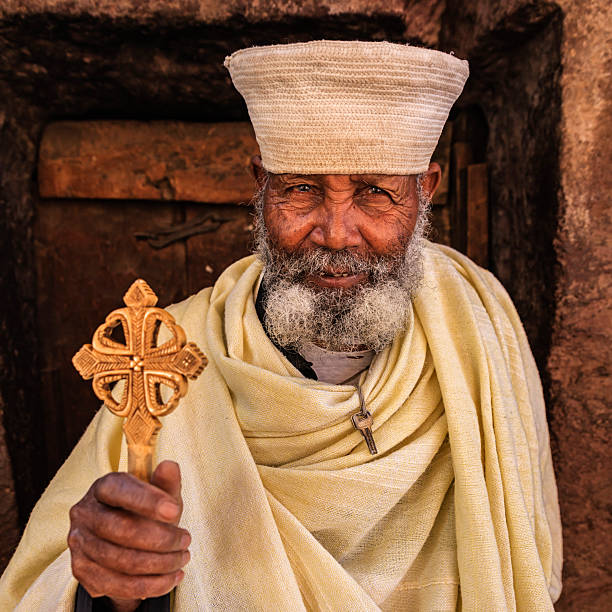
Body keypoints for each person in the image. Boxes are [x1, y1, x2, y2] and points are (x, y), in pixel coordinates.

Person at [0, 40, 562, 611]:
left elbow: (530, 558)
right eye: (302, 190)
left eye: (374, 194)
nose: (338, 232)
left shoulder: (479, 319)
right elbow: (55, 585)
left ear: (425, 192)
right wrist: (111, 587)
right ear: (260, 185)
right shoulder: (169, 357)